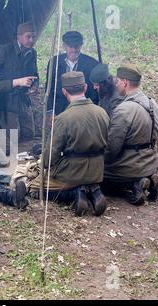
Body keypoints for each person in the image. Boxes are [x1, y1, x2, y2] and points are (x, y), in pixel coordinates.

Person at [13, 72, 110, 216]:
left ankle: (75, 194)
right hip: (97, 171)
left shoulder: (64, 118)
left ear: (64, 91)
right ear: (85, 87)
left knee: (32, 187)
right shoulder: (102, 113)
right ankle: (93, 190)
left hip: (71, 173)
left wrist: (43, 163)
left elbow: (50, 157)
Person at [103, 64, 158, 205]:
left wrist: (100, 162)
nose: (116, 84)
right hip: (149, 162)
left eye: (118, 81)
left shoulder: (124, 109)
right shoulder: (152, 102)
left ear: (125, 82)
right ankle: (148, 180)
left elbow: (112, 148)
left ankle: (134, 185)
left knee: (96, 177)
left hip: (130, 166)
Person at [0, 21, 39, 140]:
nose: (31, 40)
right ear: (18, 36)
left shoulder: (32, 53)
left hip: (23, 99)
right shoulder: (5, 50)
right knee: (13, 138)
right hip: (7, 99)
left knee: (29, 134)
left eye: (33, 37)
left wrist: (35, 86)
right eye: (28, 37)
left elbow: (35, 74)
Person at [46, 31, 99, 116]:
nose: (74, 50)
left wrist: (90, 111)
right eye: (70, 47)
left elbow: (94, 92)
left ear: (81, 45)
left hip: (84, 111)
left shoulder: (92, 64)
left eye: (76, 47)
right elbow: (50, 88)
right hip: (60, 110)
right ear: (64, 46)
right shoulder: (54, 62)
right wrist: (49, 111)